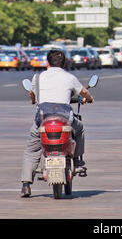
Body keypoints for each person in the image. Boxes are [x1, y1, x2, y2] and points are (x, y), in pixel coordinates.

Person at [20, 49, 93, 198]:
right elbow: (84, 92)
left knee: (32, 150)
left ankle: (26, 184)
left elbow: (32, 94)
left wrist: (33, 100)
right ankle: (78, 161)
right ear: (64, 63)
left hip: (43, 119)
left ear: (47, 63)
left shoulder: (38, 77)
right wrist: (89, 98)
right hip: (65, 118)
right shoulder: (69, 77)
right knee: (80, 129)